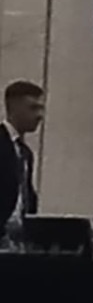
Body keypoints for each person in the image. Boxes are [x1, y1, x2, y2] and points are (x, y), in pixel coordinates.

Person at [0, 80, 44, 249]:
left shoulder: (25, 152)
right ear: (14, 108)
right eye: (33, 108)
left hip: (16, 241)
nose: (40, 115)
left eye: (41, 108)